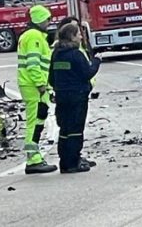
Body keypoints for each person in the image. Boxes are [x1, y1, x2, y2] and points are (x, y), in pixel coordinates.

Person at [49, 24, 101, 173]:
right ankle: (73, 161)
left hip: (62, 96)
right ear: (72, 36)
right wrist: (97, 61)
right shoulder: (76, 54)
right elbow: (87, 73)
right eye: (78, 34)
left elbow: (51, 78)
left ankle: (64, 162)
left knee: (64, 129)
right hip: (77, 96)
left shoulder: (56, 54)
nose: (81, 37)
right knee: (76, 130)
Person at [17, 5, 57, 174]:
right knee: (34, 123)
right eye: (47, 19)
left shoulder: (33, 35)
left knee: (38, 121)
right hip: (33, 86)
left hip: (34, 85)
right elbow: (34, 64)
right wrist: (41, 84)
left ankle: (35, 157)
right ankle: (33, 159)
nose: (49, 22)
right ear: (40, 19)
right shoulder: (34, 36)